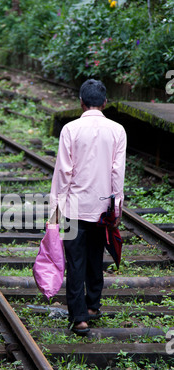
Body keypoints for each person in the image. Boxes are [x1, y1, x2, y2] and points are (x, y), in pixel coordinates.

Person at [50, 79, 127, 335]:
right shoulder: (118, 130)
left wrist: (55, 209)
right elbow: (117, 172)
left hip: (74, 208)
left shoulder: (70, 129)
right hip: (102, 209)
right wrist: (117, 207)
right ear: (105, 103)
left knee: (75, 262)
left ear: (81, 103)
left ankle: (79, 318)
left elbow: (63, 172)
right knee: (96, 257)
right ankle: (93, 306)